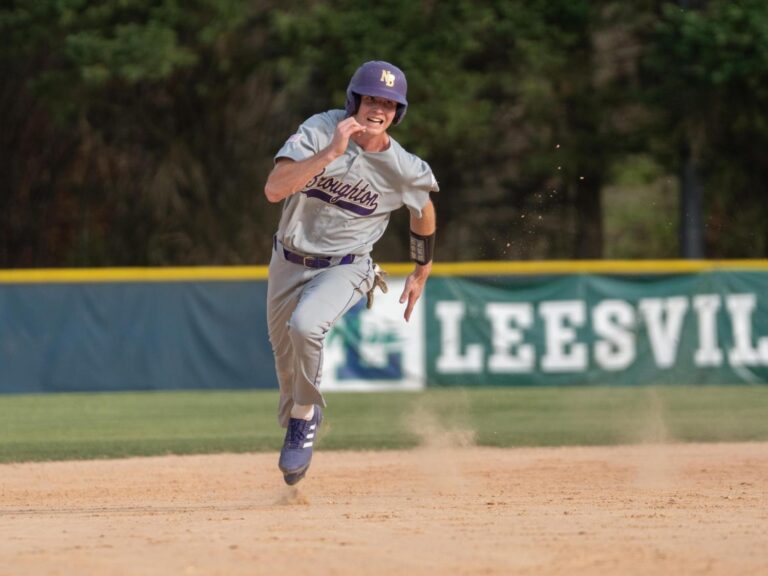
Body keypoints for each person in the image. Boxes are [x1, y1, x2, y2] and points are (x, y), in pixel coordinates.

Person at [263, 60, 438, 485]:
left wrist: (422, 267)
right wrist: (329, 154)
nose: (379, 109)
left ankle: (304, 417)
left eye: (390, 104)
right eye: (372, 98)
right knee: (285, 358)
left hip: (346, 266)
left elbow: (424, 210)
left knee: (306, 327)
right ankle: (299, 412)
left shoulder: (404, 168)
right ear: (354, 100)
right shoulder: (323, 129)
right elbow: (274, 189)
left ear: (399, 112)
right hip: (287, 259)